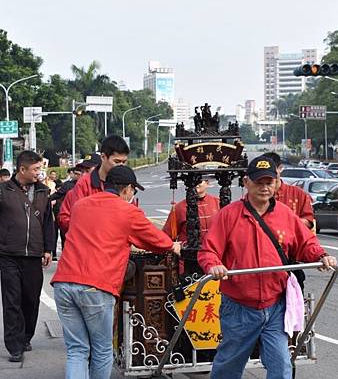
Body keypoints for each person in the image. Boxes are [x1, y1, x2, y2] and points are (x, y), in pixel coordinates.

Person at [198, 155, 337, 379]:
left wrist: (321, 256)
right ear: (247, 183)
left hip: (275, 305)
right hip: (240, 308)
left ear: (276, 183)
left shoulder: (285, 214)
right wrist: (214, 265)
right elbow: (208, 251)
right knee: (228, 368)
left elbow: (306, 243)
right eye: (259, 182)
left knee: (282, 366)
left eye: (269, 182)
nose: (264, 188)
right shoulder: (229, 215)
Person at [51, 165, 181, 379]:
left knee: (77, 350)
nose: (132, 195)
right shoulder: (128, 211)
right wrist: (174, 246)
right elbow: (156, 240)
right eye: (133, 191)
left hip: (64, 283)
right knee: (102, 350)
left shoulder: (81, 205)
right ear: (127, 189)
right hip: (96, 286)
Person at [0, 150, 56, 362]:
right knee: (12, 300)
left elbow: (49, 223)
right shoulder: (1, 191)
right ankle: (14, 345)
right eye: (35, 169)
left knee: (31, 299)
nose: (39, 173)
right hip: (9, 254)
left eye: (40, 169)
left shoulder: (42, 191)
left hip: (34, 254)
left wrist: (49, 249)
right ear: (22, 169)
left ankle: (26, 336)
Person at [58, 136, 130, 233]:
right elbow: (77, 219)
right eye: (117, 162)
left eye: (124, 162)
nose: (121, 166)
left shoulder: (127, 182)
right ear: (103, 157)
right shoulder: (85, 184)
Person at [163, 177, 219, 273]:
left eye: (199, 181)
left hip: (214, 259)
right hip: (188, 262)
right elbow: (166, 235)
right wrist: (174, 246)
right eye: (193, 181)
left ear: (207, 183)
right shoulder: (179, 208)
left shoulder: (217, 203)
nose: (196, 184)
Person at [263, 152, 315, 229]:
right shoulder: (256, 194)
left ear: (280, 168)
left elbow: (308, 221)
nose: (268, 175)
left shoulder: (298, 194)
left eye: (272, 170)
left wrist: (285, 222)